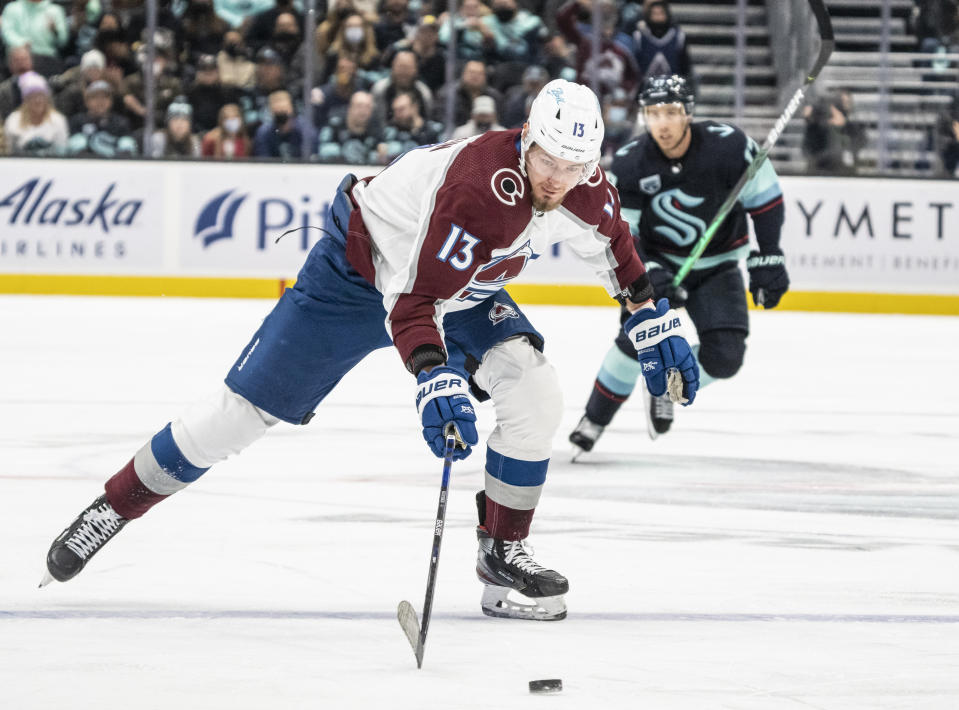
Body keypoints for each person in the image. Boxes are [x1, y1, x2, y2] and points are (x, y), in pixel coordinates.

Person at [41, 79, 699, 622]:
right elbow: (411, 305)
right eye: (547, 160)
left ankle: (503, 555)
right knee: (236, 417)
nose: (556, 180)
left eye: (573, 166)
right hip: (355, 278)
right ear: (526, 139)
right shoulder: (476, 192)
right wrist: (434, 380)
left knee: (533, 390)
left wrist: (650, 318)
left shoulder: (582, 183)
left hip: (461, 291)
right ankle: (113, 507)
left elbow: (615, 248)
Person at [568, 74, 784, 454]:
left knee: (726, 356)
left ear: (688, 113)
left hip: (717, 267)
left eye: (671, 112)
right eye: (653, 113)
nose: (662, 123)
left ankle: (669, 385)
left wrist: (769, 254)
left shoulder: (730, 147)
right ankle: (595, 418)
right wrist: (646, 270)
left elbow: (765, 199)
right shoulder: (630, 162)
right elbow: (623, 231)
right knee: (635, 345)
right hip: (656, 266)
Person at [3, 70, 68, 155]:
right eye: (32, 97)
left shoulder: (58, 120)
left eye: (41, 96)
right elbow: (10, 151)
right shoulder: (13, 120)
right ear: (25, 100)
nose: (38, 101)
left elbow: (62, 151)